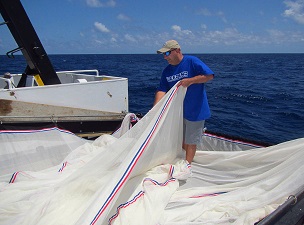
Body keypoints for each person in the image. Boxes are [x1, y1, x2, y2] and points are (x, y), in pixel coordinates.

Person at [154, 40, 214, 164]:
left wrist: (191, 81)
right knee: (180, 138)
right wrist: (155, 110)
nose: (165, 57)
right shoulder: (167, 71)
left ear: (178, 51)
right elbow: (162, 90)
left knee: (191, 141)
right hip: (178, 112)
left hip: (196, 110)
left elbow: (209, 76)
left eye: (167, 53)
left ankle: (187, 165)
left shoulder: (192, 61)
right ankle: (182, 159)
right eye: (163, 55)